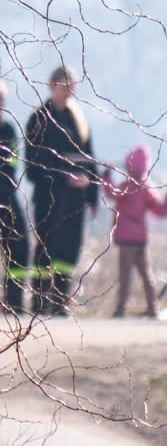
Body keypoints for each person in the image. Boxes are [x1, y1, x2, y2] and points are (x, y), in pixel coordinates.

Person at [24, 65, 98, 316]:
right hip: (50, 197)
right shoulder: (39, 119)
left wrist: (93, 193)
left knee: (69, 249)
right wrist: (64, 177)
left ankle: (60, 299)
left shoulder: (79, 120)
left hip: (76, 199)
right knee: (46, 247)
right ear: (54, 85)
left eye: (73, 87)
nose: (70, 92)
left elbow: (89, 157)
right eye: (66, 86)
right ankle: (40, 300)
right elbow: (34, 164)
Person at [103, 145, 167, 317]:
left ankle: (121, 309)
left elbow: (111, 193)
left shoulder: (128, 186)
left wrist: (107, 175)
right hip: (141, 239)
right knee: (147, 275)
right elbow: (161, 211)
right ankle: (153, 308)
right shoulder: (147, 188)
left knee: (125, 276)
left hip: (125, 239)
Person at [0, 81, 25, 311]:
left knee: (20, 245)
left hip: (7, 196)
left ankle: (14, 302)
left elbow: (13, 163)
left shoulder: (8, 129)